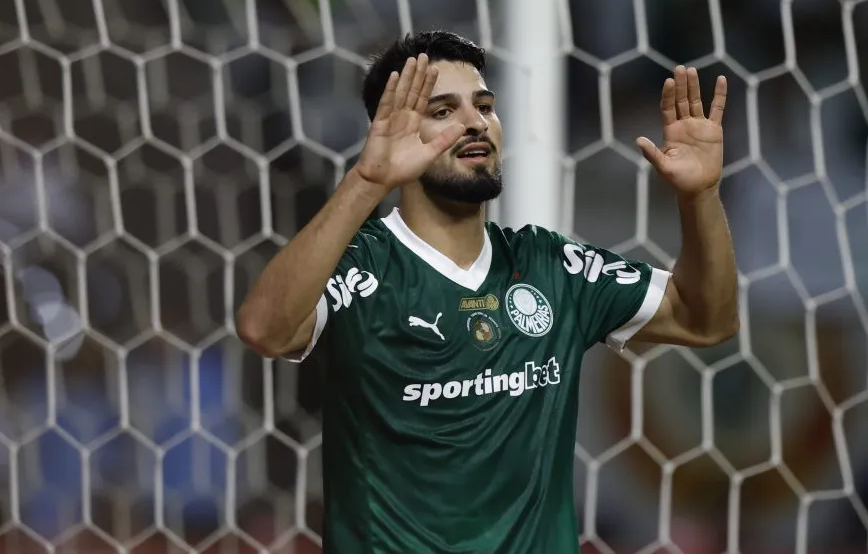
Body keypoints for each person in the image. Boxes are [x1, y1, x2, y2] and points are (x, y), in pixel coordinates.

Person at [236, 31, 740, 553]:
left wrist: (699, 196)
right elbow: (263, 330)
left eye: (483, 105)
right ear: (387, 134)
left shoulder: (551, 266)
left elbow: (707, 320)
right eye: (442, 111)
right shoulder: (363, 267)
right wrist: (368, 179)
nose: (475, 122)